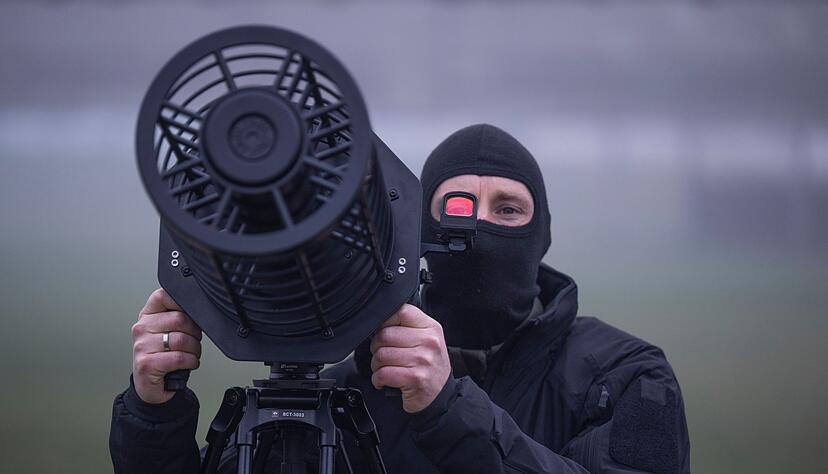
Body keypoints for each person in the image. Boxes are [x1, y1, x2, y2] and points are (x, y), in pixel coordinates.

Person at [110, 124, 690, 473]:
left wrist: (447, 409)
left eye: (507, 210)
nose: (479, 228)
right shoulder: (343, 394)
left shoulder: (627, 375)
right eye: (457, 208)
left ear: (540, 236)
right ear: (417, 231)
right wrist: (152, 413)